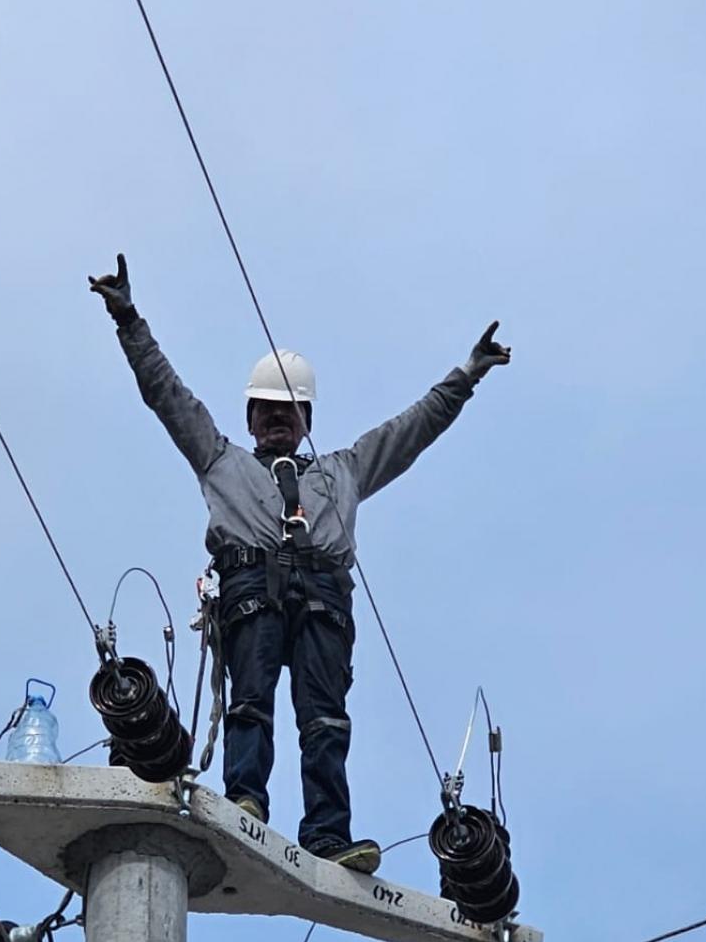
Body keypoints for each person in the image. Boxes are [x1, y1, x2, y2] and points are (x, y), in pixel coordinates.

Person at [89, 254, 510, 873]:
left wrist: (466, 374)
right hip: (250, 590)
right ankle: (245, 801)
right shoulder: (221, 460)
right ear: (250, 418)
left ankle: (328, 836)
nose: (278, 418)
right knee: (250, 704)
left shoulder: (344, 471)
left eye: (289, 409)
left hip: (323, 601)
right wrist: (129, 319)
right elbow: (166, 394)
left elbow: (414, 427)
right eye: (267, 409)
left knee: (326, 722)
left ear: (307, 420)